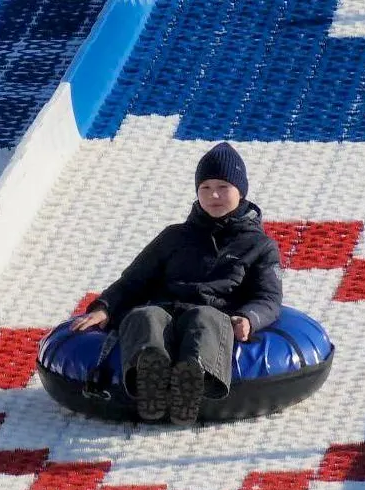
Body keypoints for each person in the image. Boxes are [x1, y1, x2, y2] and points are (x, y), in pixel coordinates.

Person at [70, 142, 283, 425]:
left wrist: (248, 318)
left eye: (223, 187)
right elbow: (134, 280)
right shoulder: (173, 237)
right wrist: (105, 308)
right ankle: (151, 381)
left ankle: (193, 382)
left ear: (240, 191)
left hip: (216, 315)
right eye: (205, 188)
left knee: (205, 317)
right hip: (166, 311)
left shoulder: (259, 246)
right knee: (144, 315)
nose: (214, 195)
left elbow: (268, 297)